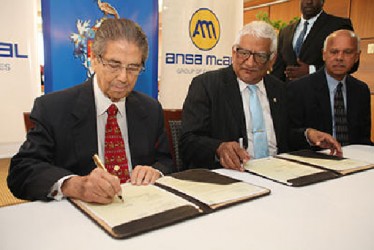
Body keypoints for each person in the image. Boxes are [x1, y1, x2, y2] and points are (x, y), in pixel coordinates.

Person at [8, 18, 174, 204]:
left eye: (133, 68)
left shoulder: (151, 109)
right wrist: (74, 185)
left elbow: (166, 161)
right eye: (114, 65)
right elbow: (21, 171)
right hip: (81, 218)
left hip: (141, 209)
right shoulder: (53, 108)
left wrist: (156, 171)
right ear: (94, 59)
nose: (123, 77)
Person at [180, 21, 341, 172]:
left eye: (260, 56)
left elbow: (285, 136)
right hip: (233, 176)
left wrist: (308, 135)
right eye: (243, 53)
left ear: (272, 59)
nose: (250, 63)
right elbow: (188, 141)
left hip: (279, 173)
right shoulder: (207, 85)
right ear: (233, 52)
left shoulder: (279, 89)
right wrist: (218, 147)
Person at [287, 29, 373, 150]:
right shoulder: (299, 88)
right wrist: (308, 134)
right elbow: (289, 134)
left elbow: (363, 138)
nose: (340, 57)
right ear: (324, 54)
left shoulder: (361, 90)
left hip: (354, 160)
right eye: (334, 52)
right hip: (315, 160)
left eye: (347, 52)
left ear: (357, 57)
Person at [271, 0, 355, 82]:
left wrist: (311, 70)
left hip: (321, 92)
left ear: (323, 1)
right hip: (288, 93)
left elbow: (352, 64)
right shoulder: (285, 31)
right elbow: (278, 70)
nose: (309, 2)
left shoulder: (338, 25)